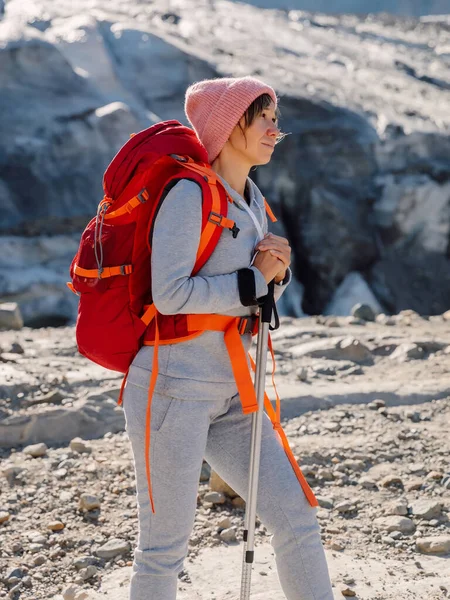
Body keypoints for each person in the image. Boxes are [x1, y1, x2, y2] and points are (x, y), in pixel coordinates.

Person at [122, 76, 334, 600]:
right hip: (172, 389)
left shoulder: (254, 202)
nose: (273, 128)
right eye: (260, 116)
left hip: (235, 392)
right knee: (164, 549)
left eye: (275, 118)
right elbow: (169, 294)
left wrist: (275, 280)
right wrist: (260, 279)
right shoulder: (187, 194)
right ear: (226, 125)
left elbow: (251, 304)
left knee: (297, 519)